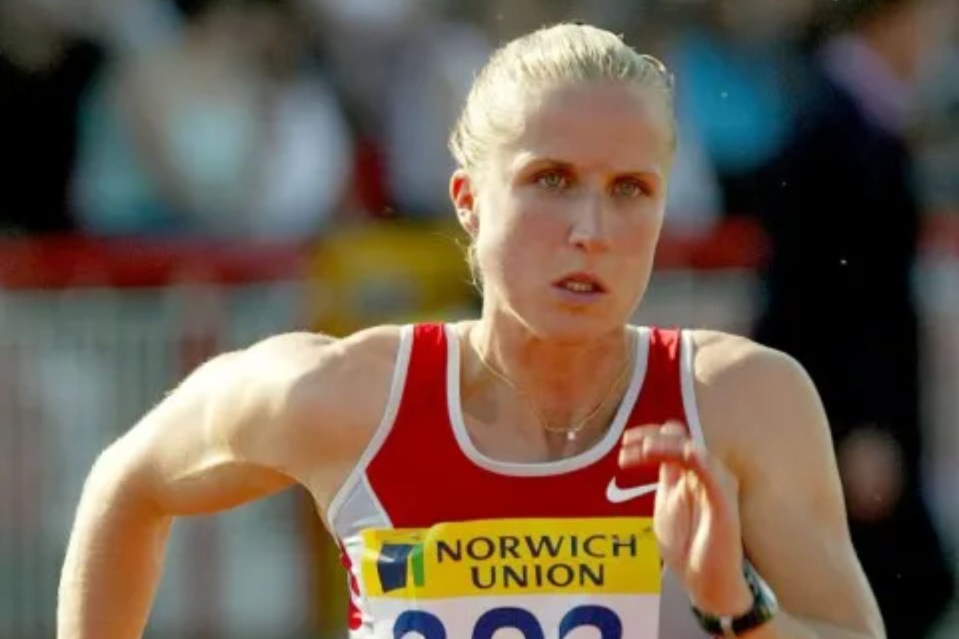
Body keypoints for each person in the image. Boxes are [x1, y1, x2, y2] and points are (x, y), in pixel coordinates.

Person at [57, 24, 885, 639]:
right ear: (467, 199)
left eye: (629, 188)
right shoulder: (347, 395)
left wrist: (737, 606)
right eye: (549, 180)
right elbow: (126, 485)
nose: (589, 227)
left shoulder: (737, 400)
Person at [752, 1, 956, 636]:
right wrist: (859, 424)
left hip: (869, 409)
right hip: (851, 416)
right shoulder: (830, 127)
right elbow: (820, 295)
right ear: (889, 20)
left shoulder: (860, 118)